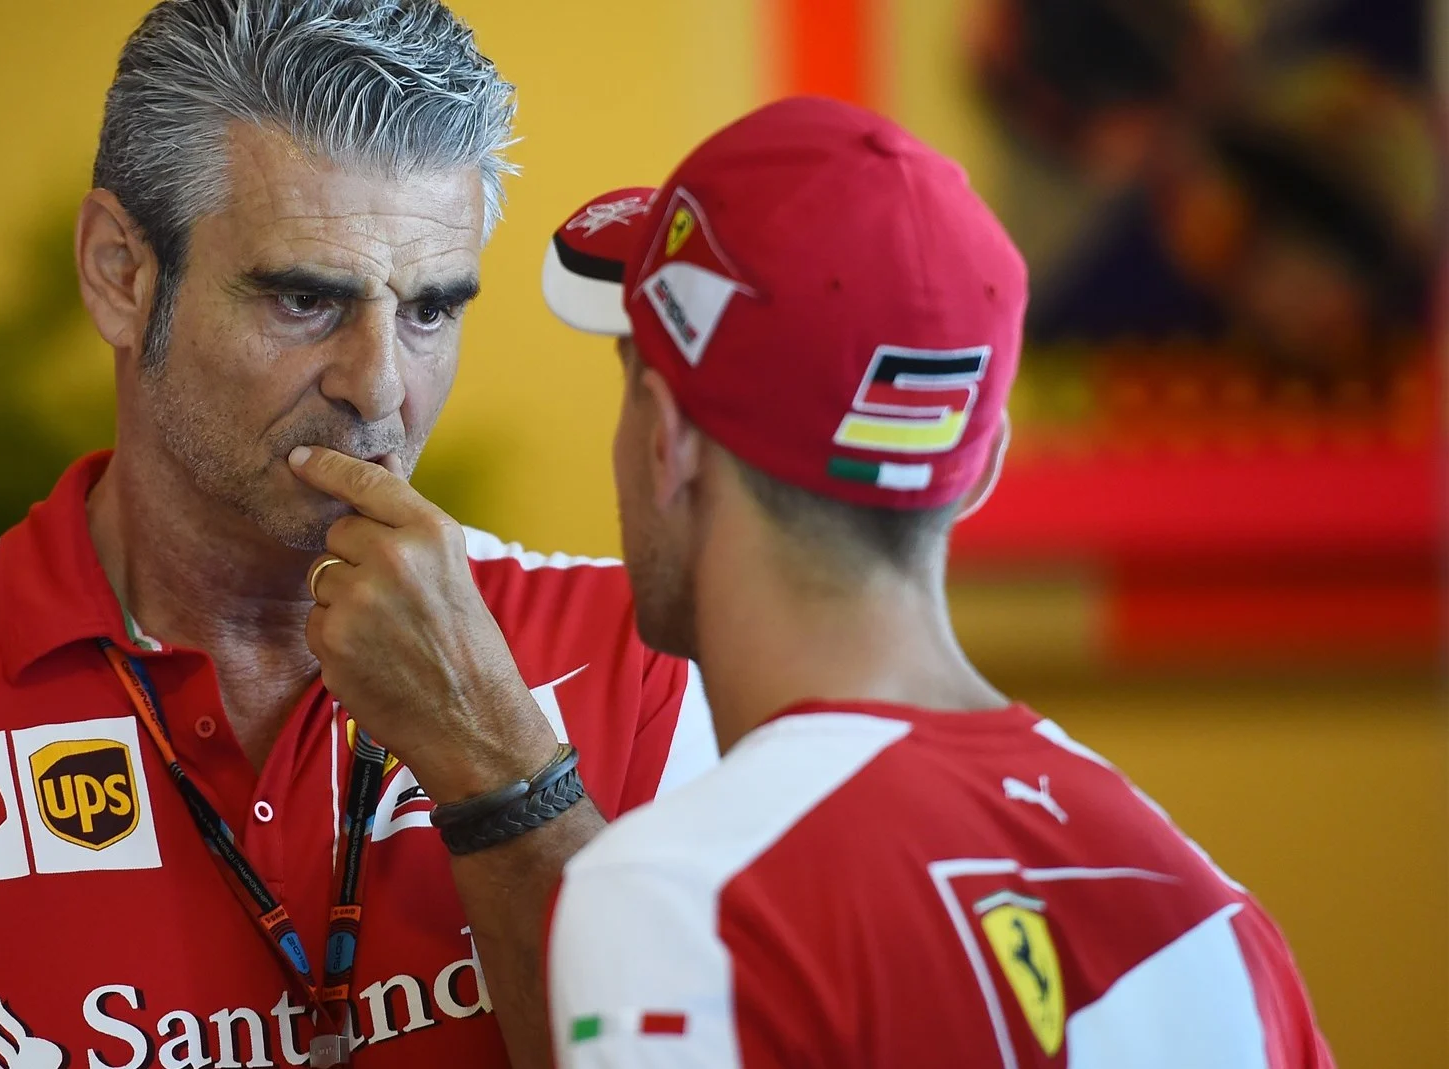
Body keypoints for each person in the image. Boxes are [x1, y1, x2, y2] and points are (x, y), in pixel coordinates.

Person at [0, 4, 714, 1068]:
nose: (380, 386)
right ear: (120, 275)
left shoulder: (644, 669)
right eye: (304, 301)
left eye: (431, 309)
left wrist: (501, 766)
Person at [538, 97, 1334, 1068]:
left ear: (667, 441)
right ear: (981, 466)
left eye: (629, 378)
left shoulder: (679, 900)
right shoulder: (1216, 923)